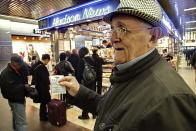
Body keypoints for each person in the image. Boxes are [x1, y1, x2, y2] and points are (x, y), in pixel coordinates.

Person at [59, 0, 196, 130]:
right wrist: (79, 91)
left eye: (122, 28)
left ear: (152, 36)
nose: (113, 39)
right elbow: (109, 108)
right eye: (113, 29)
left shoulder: (171, 100)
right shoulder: (128, 72)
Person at [0, 55, 31, 131]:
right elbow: (9, 90)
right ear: (13, 63)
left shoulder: (16, 70)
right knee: (21, 123)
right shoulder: (5, 73)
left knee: (16, 119)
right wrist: (24, 86)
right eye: (19, 64)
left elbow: (28, 71)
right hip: (15, 100)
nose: (21, 66)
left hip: (18, 98)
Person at [76, 47, 96, 119]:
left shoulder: (81, 60)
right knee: (92, 97)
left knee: (85, 98)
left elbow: (79, 74)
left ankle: (85, 114)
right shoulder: (92, 59)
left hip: (85, 82)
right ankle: (94, 114)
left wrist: (78, 82)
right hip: (92, 81)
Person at [32, 54, 51, 121]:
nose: (48, 62)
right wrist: (49, 84)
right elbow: (45, 79)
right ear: (46, 59)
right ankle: (43, 117)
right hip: (43, 88)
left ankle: (43, 115)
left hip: (38, 87)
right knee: (44, 102)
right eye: (48, 61)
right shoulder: (42, 67)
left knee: (43, 102)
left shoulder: (36, 65)